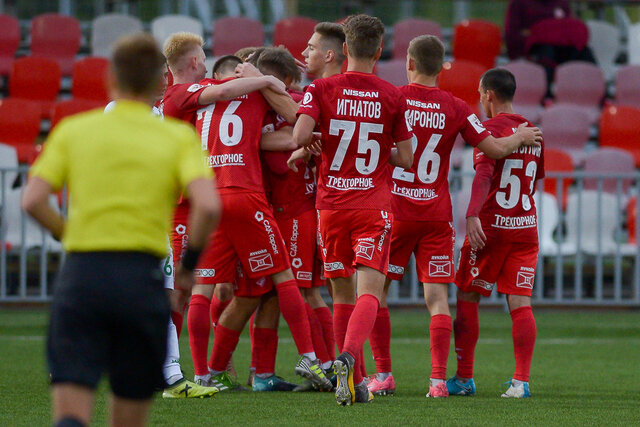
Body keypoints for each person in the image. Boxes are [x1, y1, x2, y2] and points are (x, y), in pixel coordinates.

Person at [22, 33, 220, 427]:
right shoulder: (177, 136)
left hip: (83, 274)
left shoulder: (75, 130)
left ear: (111, 78)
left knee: (70, 415)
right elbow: (209, 205)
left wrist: (69, 235)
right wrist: (188, 268)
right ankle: (172, 376)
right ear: (160, 81)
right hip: (141, 278)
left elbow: (32, 200)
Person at [367, 35, 543, 398]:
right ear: (441, 67)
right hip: (438, 215)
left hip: (397, 211)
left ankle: (383, 374)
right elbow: (495, 149)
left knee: (376, 292)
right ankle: (438, 382)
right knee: (438, 298)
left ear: (410, 63)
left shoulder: (392, 98)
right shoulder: (457, 107)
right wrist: (521, 136)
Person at [293, 14, 414, 406]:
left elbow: (299, 135)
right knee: (370, 292)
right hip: (371, 205)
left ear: (344, 49)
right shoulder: (392, 95)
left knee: (341, 292)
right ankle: (348, 358)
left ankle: (357, 383)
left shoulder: (320, 88)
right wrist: (378, 152)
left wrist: (322, 138)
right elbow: (407, 158)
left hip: (331, 206)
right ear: (379, 51)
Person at [195, 54, 332, 392]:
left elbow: (295, 131)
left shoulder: (198, 95)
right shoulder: (256, 96)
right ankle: (312, 362)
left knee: (255, 292)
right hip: (257, 203)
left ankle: (222, 373)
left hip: (235, 201)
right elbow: (292, 136)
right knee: (271, 289)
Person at [159, 32, 289, 383]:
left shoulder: (193, 93)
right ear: (193, 61)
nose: (205, 64)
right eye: (202, 58)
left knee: (209, 287)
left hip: (203, 199)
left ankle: (206, 368)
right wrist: (264, 80)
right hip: (182, 203)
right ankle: (170, 367)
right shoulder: (181, 93)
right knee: (184, 289)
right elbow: (221, 92)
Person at [106, 64, 220, 399]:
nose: (164, 82)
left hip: (155, 222)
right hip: (124, 222)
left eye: (166, 75)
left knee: (163, 299)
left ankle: (170, 375)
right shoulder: (116, 113)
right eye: (158, 75)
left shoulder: (160, 116)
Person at [448, 68, 544, 399]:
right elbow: (533, 181)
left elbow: (484, 176)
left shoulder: (488, 130)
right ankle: (521, 382)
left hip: (491, 229)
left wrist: (473, 213)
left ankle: (464, 378)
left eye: (480, 93)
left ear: (488, 94)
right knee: (520, 302)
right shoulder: (533, 131)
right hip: (525, 227)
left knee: (467, 296)